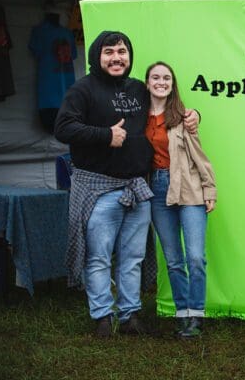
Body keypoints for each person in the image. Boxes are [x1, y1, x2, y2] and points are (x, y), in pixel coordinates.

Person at [55, 31, 199, 338]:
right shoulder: (83, 89)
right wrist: (106, 135)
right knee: (99, 256)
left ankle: (131, 315)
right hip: (98, 189)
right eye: (109, 52)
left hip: (137, 187)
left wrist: (193, 114)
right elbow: (63, 127)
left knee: (133, 256)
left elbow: (166, 99)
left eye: (122, 51)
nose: (117, 57)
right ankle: (103, 317)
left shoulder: (137, 88)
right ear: (97, 56)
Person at [145, 61, 217, 338]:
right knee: (173, 260)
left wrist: (209, 191)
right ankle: (182, 314)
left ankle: (196, 315)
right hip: (157, 191)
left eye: (166, 78)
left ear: (172, 85)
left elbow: (201, 158)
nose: (161, 82)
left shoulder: (183, 118)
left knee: (195, 257)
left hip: (189, 189)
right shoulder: (140, 118)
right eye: (155, 77)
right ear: (147, 83)